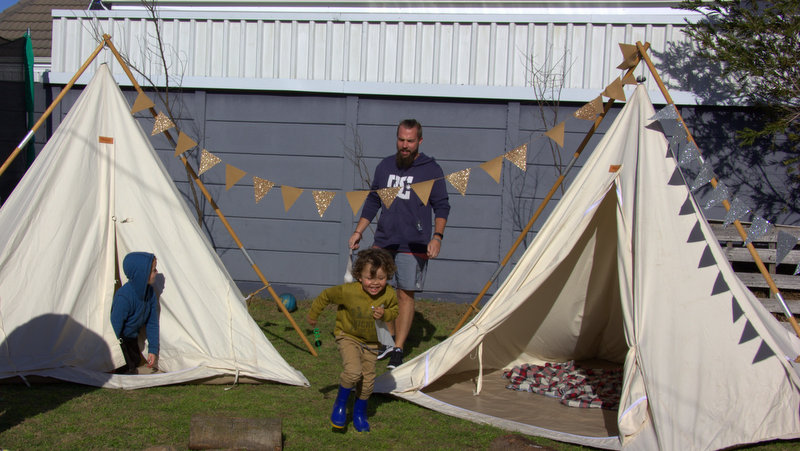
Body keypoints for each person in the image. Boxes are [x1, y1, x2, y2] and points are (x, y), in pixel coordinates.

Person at [348, 119, 450, 370]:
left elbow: (442, 206)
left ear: (419, 141)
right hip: (384, 240)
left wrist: (437, 237)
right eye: (401, 140)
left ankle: (399, 349)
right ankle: (389, 340)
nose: (405, 145)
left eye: (410, 141)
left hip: (414, 243)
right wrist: (359, 231)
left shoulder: (431, 169)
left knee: (405, 294)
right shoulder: (385, 166)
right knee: (376, 289)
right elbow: (373, 201)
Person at [306, 248, 399, 432]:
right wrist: (313, 314)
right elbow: (326, 296)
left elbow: (395, 311)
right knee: (353, 372)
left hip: (372, 342)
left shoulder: (388, 294)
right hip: (348, 336)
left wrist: (385, 313)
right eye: (370, 278)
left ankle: (359, 412)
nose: (375, 283)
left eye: (381, 278)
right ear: (359, 277)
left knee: (368, 382)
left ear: (388, 276)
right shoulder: (348, 292)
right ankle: (340, 405)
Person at [110, 252, 160, 374]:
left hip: (132, 338)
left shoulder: (150, 293)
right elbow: (115, 326)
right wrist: (111, 355)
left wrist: (153, 350)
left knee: (136, 361)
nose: (156, 272)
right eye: (153, 270)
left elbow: (152, 323)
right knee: (126, 368)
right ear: (142, 274)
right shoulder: (124, 297)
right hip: (121, 340)